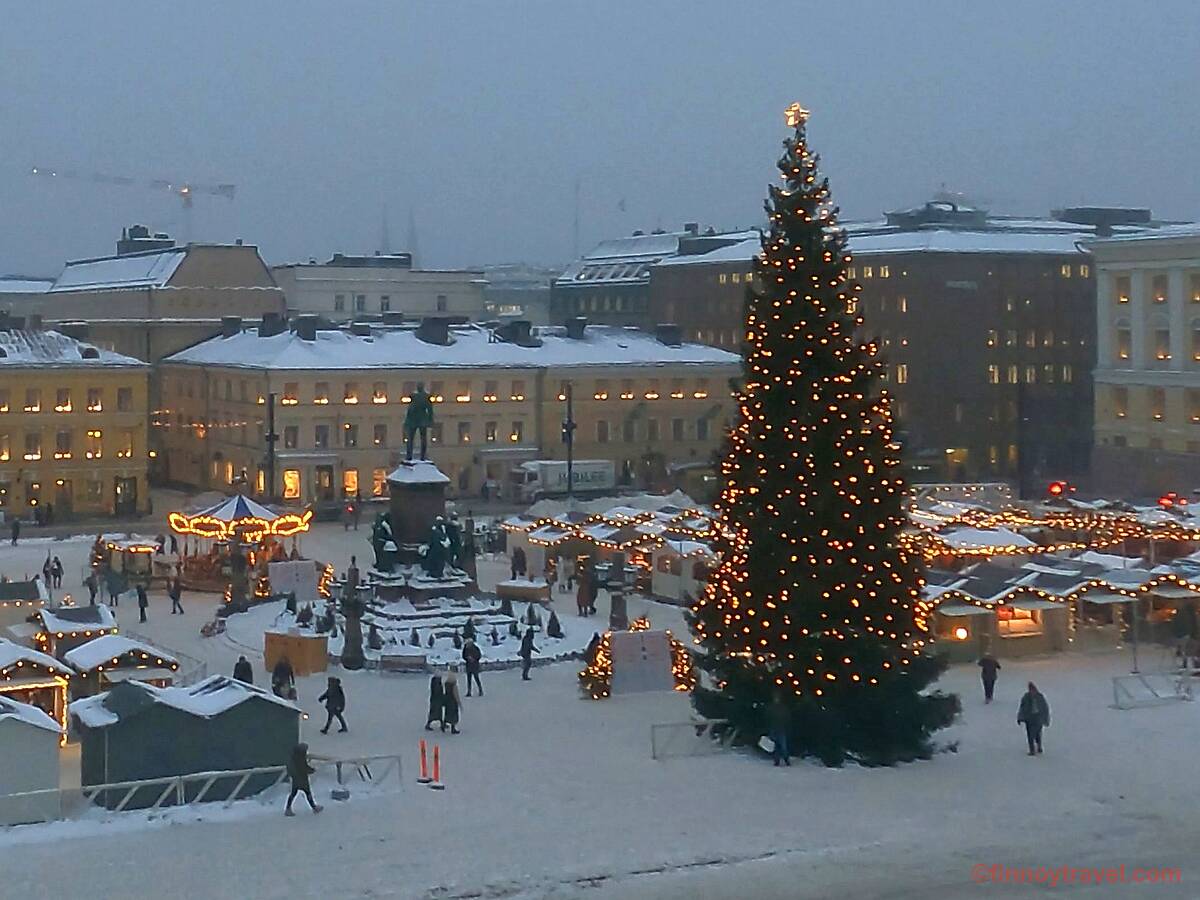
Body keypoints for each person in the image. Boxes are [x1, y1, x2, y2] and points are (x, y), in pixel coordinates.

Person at [284, 743, 322, 816]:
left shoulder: (294, 756)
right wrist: (311, 770)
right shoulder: (300, 758)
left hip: (296, 778)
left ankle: (288, 808)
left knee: (293, 793)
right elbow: (303, 767)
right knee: (308, 793)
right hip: (302, 778)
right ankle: (314, 807)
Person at [1017, 682, 1050, 756]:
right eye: (1030, 690)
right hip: (1029, 719)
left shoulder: (1040, 697)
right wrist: (1020, 718)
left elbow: (1045, 708)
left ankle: (1039, 745)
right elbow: (1022, 708)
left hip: (1038, 718)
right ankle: (1032, 750)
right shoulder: (1026, 697)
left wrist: (1045, 719)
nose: (1032, 691)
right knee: (1030, 735)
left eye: (1033, 689)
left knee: (1038, 734)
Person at [766, 691, 792, 767]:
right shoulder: (773, 708)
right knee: (776, 746)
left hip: (780, 728)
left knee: (783, 746)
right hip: (775, 728)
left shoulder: (782, 708)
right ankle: (777, 760)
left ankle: (785, 759)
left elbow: (787, 718)